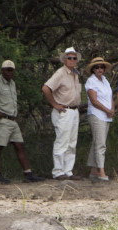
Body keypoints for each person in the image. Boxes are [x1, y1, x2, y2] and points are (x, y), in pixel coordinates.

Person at [0, 60, 43, 183]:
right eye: (7, 70)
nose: (9, 72)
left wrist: (15, 115)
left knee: (20, 146)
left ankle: (28, 173)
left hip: (12, 120)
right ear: (2, 70)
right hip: (1, 120)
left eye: (11, 70)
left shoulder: (12, 83)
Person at [42, 47, 83, 180]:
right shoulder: (60, 73)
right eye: (69, 57)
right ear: (64, 60)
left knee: (72, 143)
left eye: (74, 58)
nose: (72, 60)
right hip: (64, 111)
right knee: (62, 142)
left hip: (74, 110)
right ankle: (58, 171)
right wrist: (54, 104)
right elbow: (46, 88)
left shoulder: (75, 74)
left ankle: (68, 171)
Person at [84, 57, 114, 182]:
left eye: (101, 67)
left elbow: (110, 96)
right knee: (101, 144)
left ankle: (93, 170)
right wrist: (107, 110)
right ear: (92, 69)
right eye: (97, 67)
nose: (99, 69)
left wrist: (112, 109)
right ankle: (101, 171)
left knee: (97, 142)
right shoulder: (91, 82)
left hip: (106, 116)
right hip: (97, 115)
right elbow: (94, 101)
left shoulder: (105, 81)